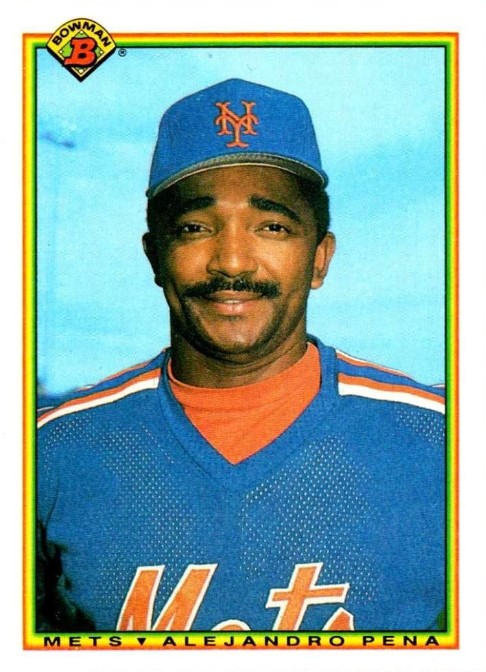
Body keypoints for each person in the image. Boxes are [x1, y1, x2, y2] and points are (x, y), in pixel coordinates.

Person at [36, 78, 445, 633]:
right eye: (195, 228)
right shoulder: (51, 452)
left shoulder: (443, 443)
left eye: (272, 226)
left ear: (319, 258)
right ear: (155, 255)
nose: (231, 261)